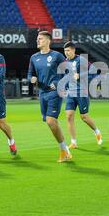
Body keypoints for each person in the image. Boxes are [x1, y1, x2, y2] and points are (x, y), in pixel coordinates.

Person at [27, 31, 72, 162]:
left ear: (48, 41)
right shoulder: (34, 58)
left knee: (51, 120)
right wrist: (32, 79)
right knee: (49, 122)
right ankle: (66, 149)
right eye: (37, 39)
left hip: (55, 92)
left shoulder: (57, 56)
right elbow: (30, 74)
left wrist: (57, 83)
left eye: (40, 39)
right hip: (42, 93)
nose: (37, 41)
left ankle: (63, 150)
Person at [62, 41, 103, 149]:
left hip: (81, 92)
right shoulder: (65, 62)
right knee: (69, 116)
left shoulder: (81, 60)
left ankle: (97, 131)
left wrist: (80, 75)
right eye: (65, 51)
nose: (66, 53)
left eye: (68, 50)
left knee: (84, 117)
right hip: (71, 93)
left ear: (73, 50)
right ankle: (73, 142)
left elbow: (94, 71)